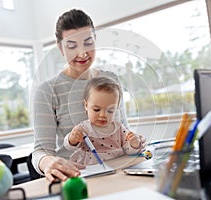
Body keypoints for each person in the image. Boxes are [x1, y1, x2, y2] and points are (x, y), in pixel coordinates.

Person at [31, 9, 145, 183]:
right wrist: (48, 163)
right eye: (72, 46)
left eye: (88, 43)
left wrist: (134, 141)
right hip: (78, 178)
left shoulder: (111, 80)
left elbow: (123, 131)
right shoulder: (47, 91)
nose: (82, 53)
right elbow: (40, 151)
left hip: (121, 174)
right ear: (60, 47)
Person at [63, 76, 144, 165]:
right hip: (90, 167)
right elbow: (69, 147)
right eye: (97, 110)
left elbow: (129, 151)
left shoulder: (119, 128)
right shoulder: (83, 128)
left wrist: (134, 143)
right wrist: (72, 139)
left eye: (110, 111)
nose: (103, 115)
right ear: (86, 105)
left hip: (116, 166)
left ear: (116, 108)